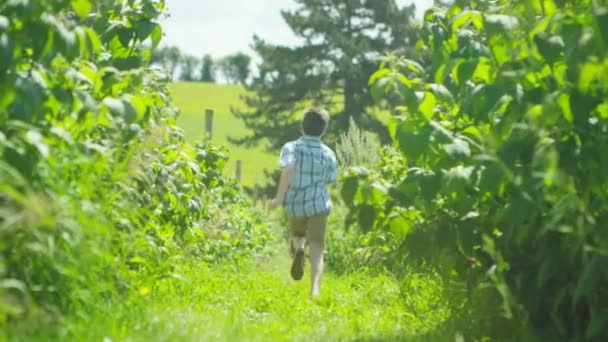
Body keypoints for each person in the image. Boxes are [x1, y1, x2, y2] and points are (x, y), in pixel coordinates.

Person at [268, 107, 338, 299]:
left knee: (298, 234)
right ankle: (315, 289)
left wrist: (279, 198)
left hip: (295, 203)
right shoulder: (328, 153)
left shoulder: (291, 147)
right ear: (323, 130)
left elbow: (288, 169)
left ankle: (299, 248)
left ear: (302, 127)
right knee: (316, 246)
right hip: (319, 205)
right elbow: (332, 178)